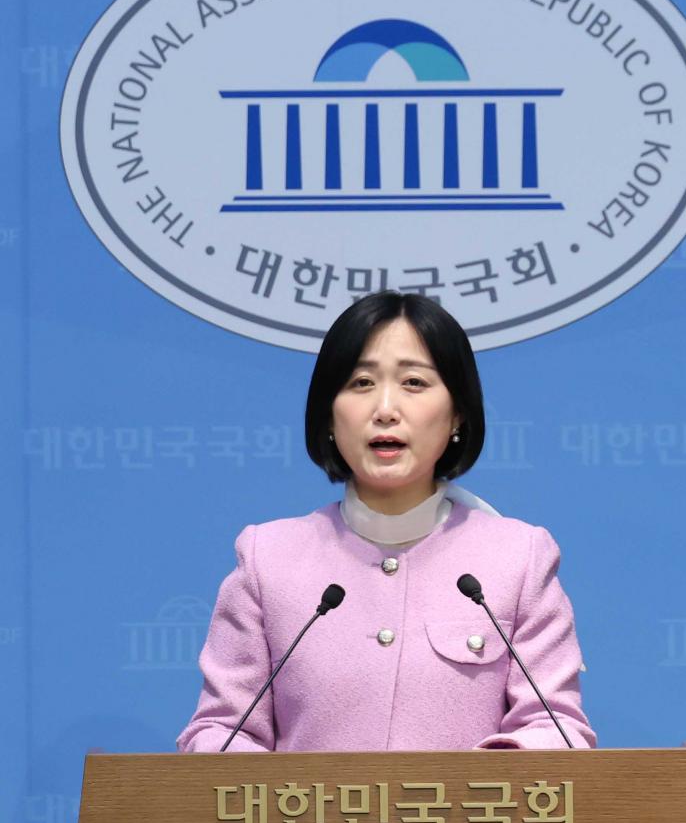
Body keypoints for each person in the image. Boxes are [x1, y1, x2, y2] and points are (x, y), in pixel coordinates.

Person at [177, 292, 596, 753]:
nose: (385, 409)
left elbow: (556, 728)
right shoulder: (268, 559)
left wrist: (472, 785)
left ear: (457, 414)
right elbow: (218, 732)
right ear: (329, 414)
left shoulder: (517, 559)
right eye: (361, 382)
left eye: (414, 382)